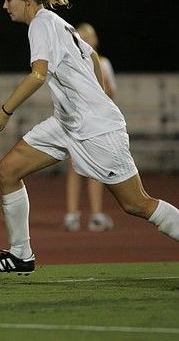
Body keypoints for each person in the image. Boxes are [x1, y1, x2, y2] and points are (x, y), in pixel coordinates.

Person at [0, 0, 179, 275]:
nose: (5, 6)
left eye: (8, 0)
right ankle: (20, 255)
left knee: (136, 203)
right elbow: (93, 56)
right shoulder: (56, 23)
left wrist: (4, 111)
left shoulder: (41, 24)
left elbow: (38, 75)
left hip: (96, 129)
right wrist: (93, 96)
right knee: (8, 170)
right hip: (67, 123)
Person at [63, 23, 116, 232]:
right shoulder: (70, 62)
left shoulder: (103, 63)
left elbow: (110, 91)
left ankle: (95, 214)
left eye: (87, 37)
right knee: (74, 169)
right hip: (76, 123)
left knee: (96, 170)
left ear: (94, 41)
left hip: (96, 123)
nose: (83, 40)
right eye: (80, 36)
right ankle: (72, 214)